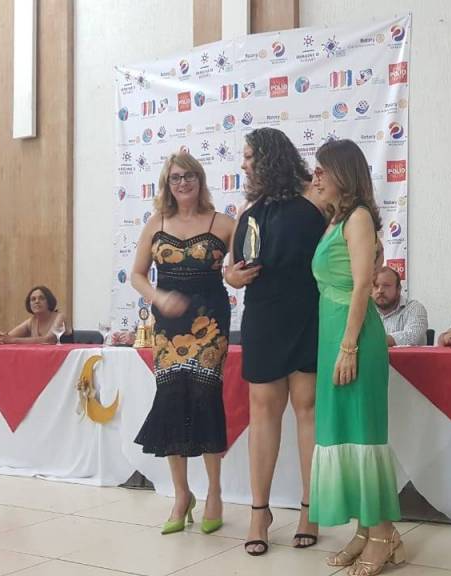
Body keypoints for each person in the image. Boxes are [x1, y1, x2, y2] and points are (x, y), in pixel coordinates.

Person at [224, 127, 326, 555]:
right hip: (263, 317)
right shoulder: (250, 209)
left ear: (269, 157)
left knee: (308, 409)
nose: (243, 164)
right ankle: (259, 512)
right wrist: (231, 277)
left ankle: (310, 507)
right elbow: (233, 268)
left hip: (309, 313)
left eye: (249, 156)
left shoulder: (318, 197)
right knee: (264, 412)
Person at [309, 139, 405, 576]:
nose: (315, 178)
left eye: (322, 171)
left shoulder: (359, 217)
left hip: (355, 338)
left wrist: (349, 347)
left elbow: (364, 283)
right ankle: (366, 529)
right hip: (333, 335)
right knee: (344, 433)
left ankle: (383, 533)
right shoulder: (336, 219)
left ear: (342, 175)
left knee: (363, 434)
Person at [129, 151, 236, 535]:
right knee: (171, 399)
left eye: (190, 176)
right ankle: (181, 495)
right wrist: (158, 298)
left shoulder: (223, 223)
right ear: (167, 184)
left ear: (200, 180)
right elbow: (137, 275)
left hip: (210, 322)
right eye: (176, 177)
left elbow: (240, 268)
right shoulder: (156, 222)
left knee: (206, 398)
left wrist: (237, 274)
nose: (183, 182)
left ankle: (215, 494)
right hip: (168, 325)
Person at [0, 286, 69, 344]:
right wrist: (1, 338)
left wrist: (12, 340)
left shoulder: (60, 317)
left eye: (41, 298)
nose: (37, 301)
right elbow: (9, 337)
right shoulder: (32, 321)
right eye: (33, 299)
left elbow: (49, 340)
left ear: (49, 301)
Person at [372, 266, 428, 346]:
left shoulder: (414, 308)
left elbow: (412, 337)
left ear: (398, 289)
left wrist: (374, 340)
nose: (380, 290)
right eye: (376, 286)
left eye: (386, 285)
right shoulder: (366, 311)